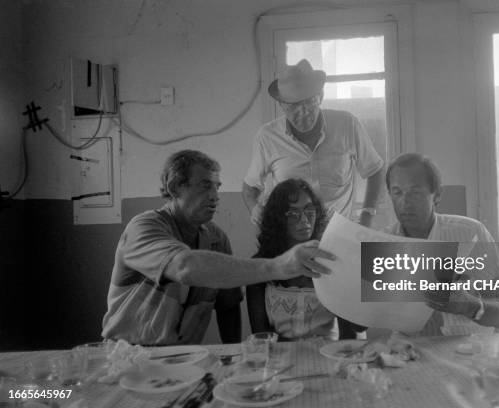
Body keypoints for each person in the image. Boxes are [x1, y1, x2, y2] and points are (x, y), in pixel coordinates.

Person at [102, 150, 334, 346]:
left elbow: (228, 306)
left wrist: (232, 356)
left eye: (217, 187)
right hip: (130, 354)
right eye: (205, 187)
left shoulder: (216, 239)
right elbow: (184, 267)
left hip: (185, 358)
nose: (215, 196)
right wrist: (279, 266)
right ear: (175, 187)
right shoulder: (144, 227)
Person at [242, 59, 385, 227]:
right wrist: (255, 209)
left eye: (309, 102)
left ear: (321, 97)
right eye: (293, 106)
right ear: (281, 105)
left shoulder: (347, 124)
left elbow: (375, 170)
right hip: (291, 234)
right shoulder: (267, 137)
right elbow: (250, 187)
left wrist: (367, 214)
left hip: (338, 232)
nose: (303, 112)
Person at [384, 153, 499, 335]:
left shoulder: (471, 233)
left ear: (437, 195)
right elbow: (360, 322)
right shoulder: (380, 242)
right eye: (397, 192)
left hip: (466, 352)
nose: (405, 202)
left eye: (416, 192)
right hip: (405, 353)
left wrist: (470, 306)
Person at [246, 179, 359, 340]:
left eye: (309, 211)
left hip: (329, 356)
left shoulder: (331, 260)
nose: (304, 220)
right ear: (277, 218)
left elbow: (349, 335)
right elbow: (261, 336)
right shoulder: (263, 265)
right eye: (292, 214)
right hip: (279, 358)